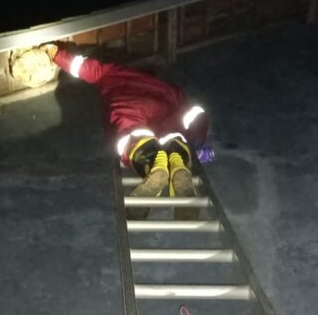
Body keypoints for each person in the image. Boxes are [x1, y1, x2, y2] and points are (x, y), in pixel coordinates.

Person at [40, 42, 210, 219]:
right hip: (162, 104)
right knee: (172, 132)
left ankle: (153, 163)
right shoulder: (167, 86)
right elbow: (194, 112)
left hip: (128, 102)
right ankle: (177, 159)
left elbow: (81, 66)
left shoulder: (112, 72)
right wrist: (197, 139)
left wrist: (54, 53)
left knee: (133, 133)